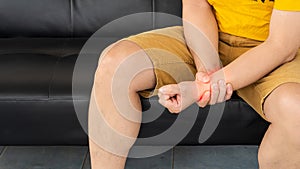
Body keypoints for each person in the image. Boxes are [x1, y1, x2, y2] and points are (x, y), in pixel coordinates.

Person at [88, 0, 300, 168]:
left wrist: (203, 88)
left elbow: (282, 45)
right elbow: (196, 5)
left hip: (272, 50)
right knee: (115, 65)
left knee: (296, 110)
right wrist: (207, 69)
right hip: (212, 37)